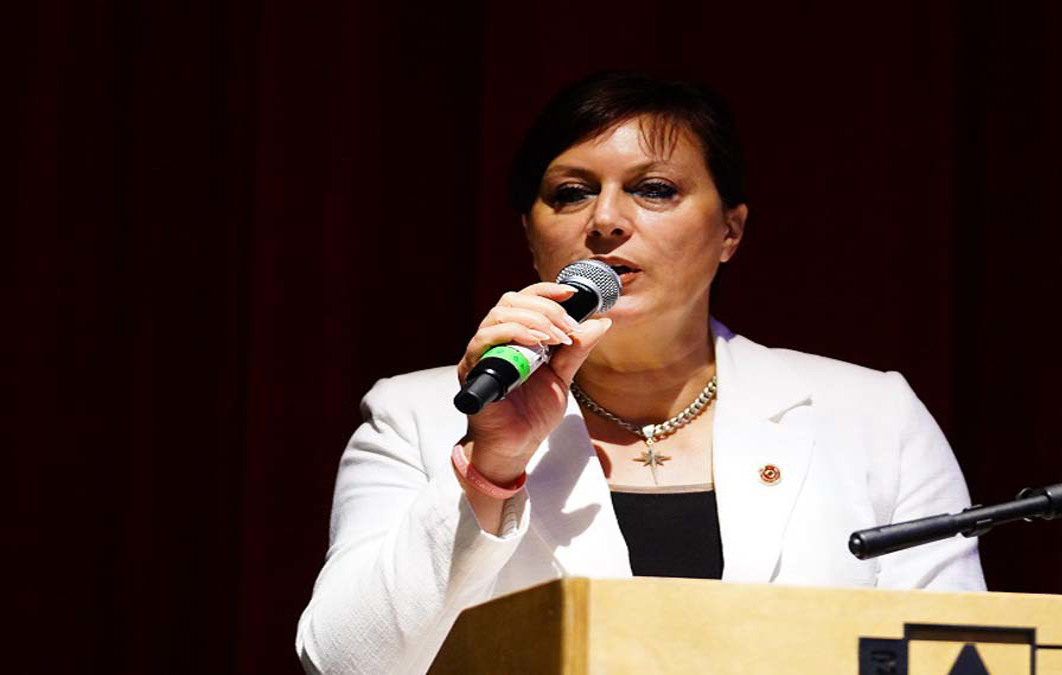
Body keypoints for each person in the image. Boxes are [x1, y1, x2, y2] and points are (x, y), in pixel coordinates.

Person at [295, 71, 986, 674]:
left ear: (731, 231)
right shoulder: (417, 415)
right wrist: (489, 467)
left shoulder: (871, 416)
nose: (605, 219)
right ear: (530, 235)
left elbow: (960, 654)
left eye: (654, 189)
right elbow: (346, 663)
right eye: (571, 193)